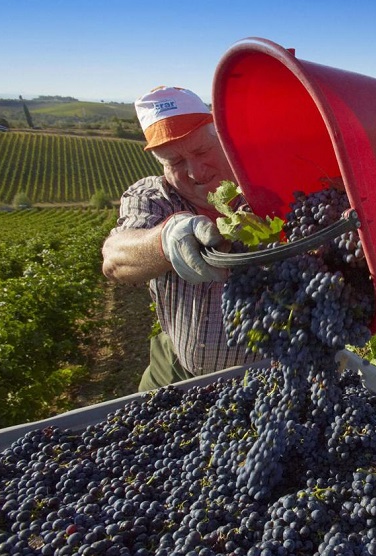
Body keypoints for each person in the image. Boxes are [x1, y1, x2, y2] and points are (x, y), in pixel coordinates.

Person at [102, 85, 263, 390]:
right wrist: (164, 240)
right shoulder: (154, 197)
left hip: (268, 374)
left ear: (223, 138)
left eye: (202, 151)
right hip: (177, 370)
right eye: (174, 162)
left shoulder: (268, 190)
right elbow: (114, 258)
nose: (195, 171)